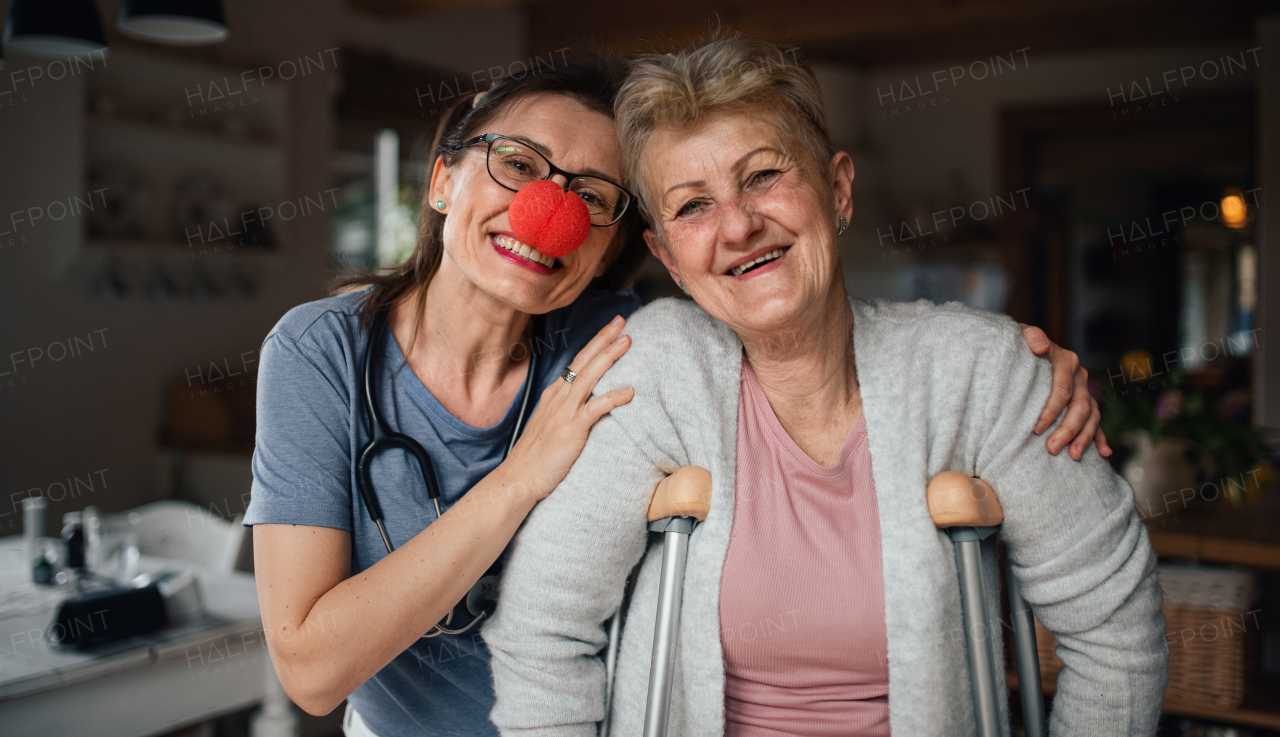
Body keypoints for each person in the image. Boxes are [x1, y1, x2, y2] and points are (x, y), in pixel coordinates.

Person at [245, 56, 1107, 737]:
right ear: (441, 182)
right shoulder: (320, 350)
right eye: (517, 165)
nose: (550, 211)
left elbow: (782, 309)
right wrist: (517, 480)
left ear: (625, 245)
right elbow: (312, 673)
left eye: (594, 197)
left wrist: (1013, 368)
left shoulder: (621, 341)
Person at [482, 38, 1168, 736]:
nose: (740, 226)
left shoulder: (981, 371)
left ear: (838, 189)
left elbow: (1114, 628)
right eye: (692, 207)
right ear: (668, 258)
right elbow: (545, 631)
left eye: (763, 177)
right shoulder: (654, 372)